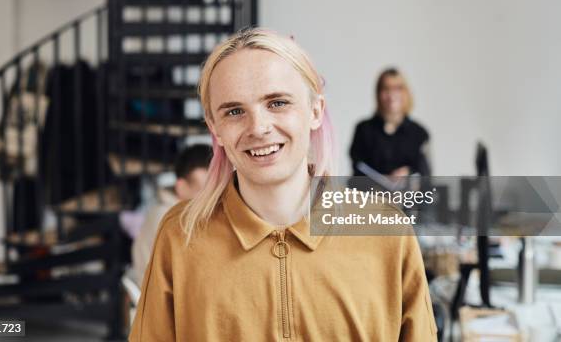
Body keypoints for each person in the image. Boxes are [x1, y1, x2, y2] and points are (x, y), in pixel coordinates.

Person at [129, 29, 437, 341]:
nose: (259, 128)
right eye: (234, 111)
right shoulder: (180, 235)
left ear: (315, 111)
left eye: (277, 103)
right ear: (215, 129)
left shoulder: (386, 230)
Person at [132, 144, 212, 285]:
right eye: (203, 191)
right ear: (181, 187)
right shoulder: (170, 220)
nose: (212, 199)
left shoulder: (170, 211)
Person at [350, 67, 431, 177]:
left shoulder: (419, 133)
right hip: (371, 192)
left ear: (406, 93)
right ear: (378, 93)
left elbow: (426, 175)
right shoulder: (363, 129)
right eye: (386, 88)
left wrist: (409, 173)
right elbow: (357, 169)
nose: (391, 95)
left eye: (398, 88)